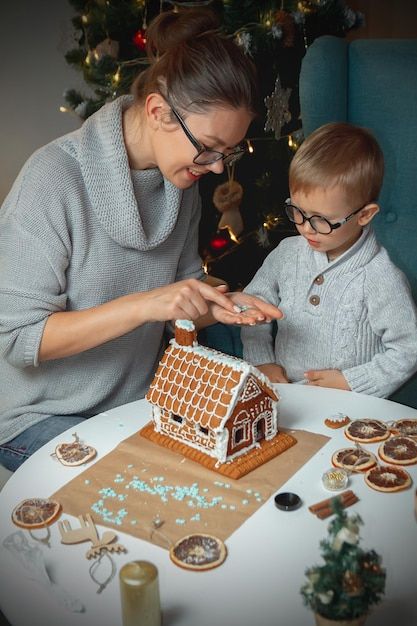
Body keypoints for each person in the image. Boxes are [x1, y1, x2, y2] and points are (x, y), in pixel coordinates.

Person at [0, 9, 282, 471]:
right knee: (141, 496)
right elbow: (17, 338)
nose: (216, 167)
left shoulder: (180, 183)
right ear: (158, 112)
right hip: (36, 414)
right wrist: (149, 304)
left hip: (131, 406)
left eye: (227, 152)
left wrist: (220, 304)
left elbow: (184, 289)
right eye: (208, 147)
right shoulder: (54, 178)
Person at [241, 122, 417, 397]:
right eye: (297, 212)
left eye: (322, 220)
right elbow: (251, 308)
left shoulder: (381, 277)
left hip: (351, 406)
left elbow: (409, 349)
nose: (306, 228)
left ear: (364, 215)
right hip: (284, 395)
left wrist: (353, 382)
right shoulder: (287, 254)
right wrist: (263, 360)